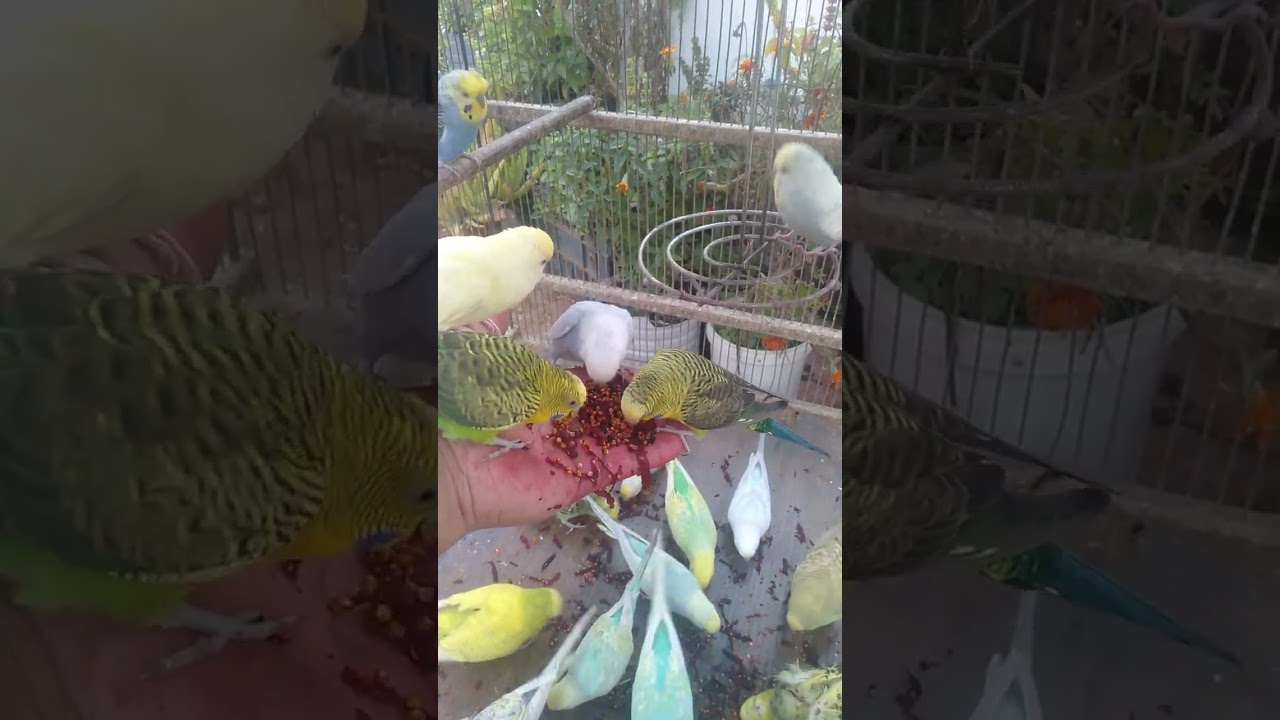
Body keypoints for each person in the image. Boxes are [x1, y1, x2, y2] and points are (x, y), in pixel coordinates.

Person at [1, 230, 686, 719]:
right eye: (423, 500)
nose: (416, 525)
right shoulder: (258, 501)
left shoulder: (283, 359)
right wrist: (187, 616)